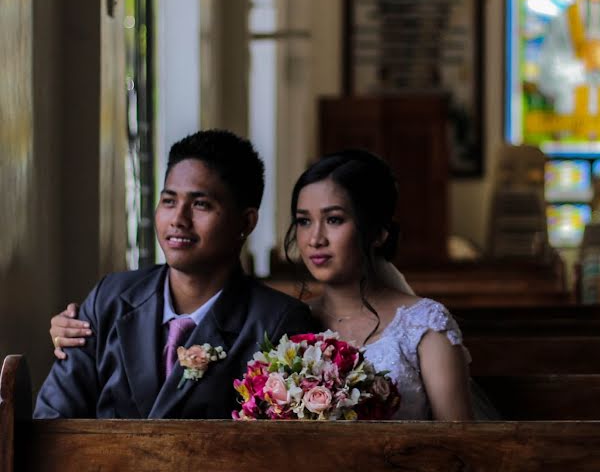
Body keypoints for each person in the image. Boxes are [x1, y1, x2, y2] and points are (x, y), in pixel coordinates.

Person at [51, 149, 474, 421]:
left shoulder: (420, 326)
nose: (315, 239)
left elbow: (462, 449)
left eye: (335, 219)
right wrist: (69, 327)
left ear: (378, 231)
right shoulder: (292, 318)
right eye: (304, 221)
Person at [36, 130, 317, 419]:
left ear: (245, 222)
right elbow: (53, 421)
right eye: (169, 201)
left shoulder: (276, 325)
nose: (178, 220)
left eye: (201, 204)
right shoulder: (109, 299)